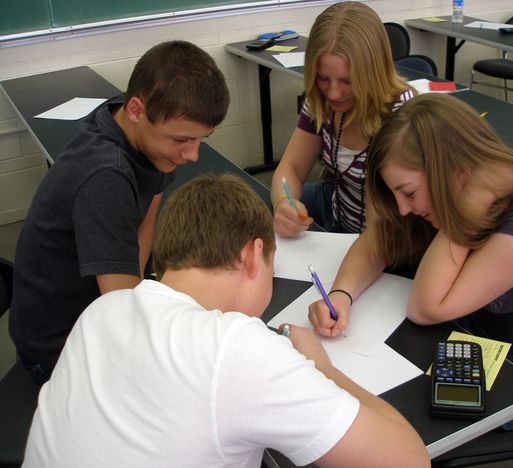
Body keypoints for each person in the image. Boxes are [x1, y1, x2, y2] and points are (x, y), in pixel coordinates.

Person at [23, 174, 430, 468]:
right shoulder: (234, 347)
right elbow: (409, 460)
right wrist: (323, 371)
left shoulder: (103, 311)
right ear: (254, 255)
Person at [309, 93, 513, 429]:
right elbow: (377, 241)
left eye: (409, 193)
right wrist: (342, 294)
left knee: (401, 422)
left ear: (455, 172)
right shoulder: (441, 190)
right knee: (373, 394)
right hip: (470, 330)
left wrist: (463, 215)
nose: (404, 208)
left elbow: (426, 308)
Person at [9, 40, 230, 385]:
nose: (192, 155)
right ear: (138, 110)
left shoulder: (133, 128)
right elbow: (117, 304)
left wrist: (139, 280)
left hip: (94, 306)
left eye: (202, 139)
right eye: (181, 140)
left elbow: (151, 202)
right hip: (58, 348)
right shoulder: (105, 176)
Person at [271, 1, 415, 236]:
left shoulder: (402, 114)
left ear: (374, 71)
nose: (333, 93)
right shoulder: (321, 101)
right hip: (338, 212)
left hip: (387, 236)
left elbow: (390, 226)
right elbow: (291, 168)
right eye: (323, 78)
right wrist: (283, 204)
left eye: (347, 81)